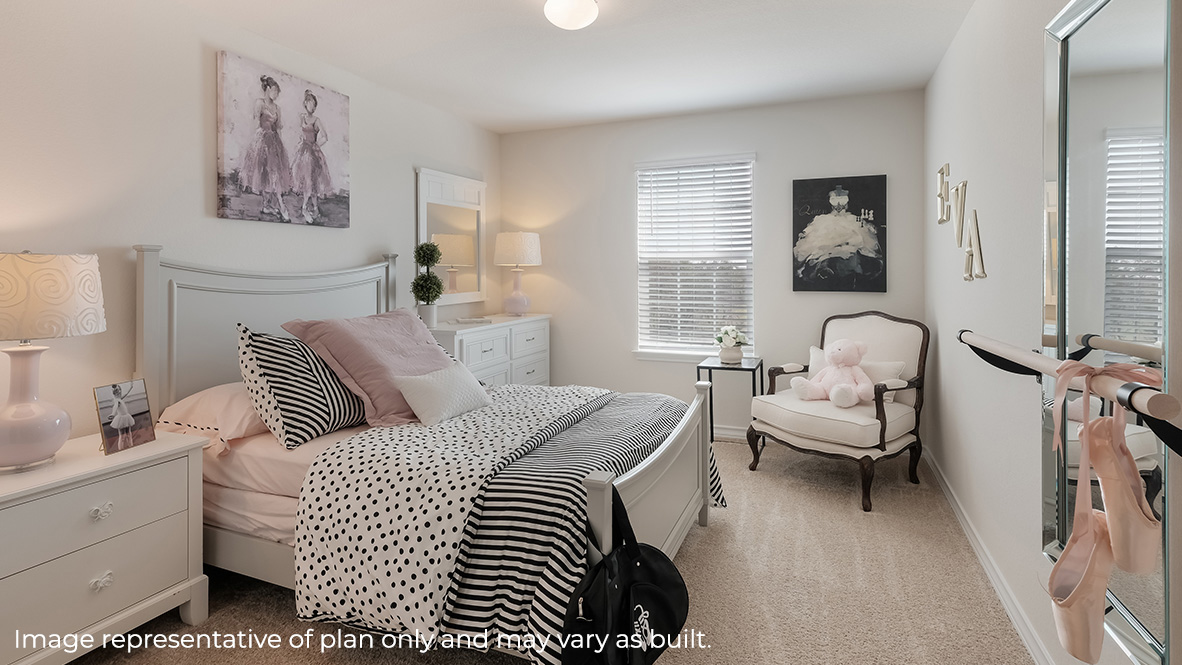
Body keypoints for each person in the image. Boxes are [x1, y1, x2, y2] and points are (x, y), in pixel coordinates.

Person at [793, 184, 884, 289]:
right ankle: (823, 268)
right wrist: (805, 233)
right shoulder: (822, 219)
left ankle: (844, 267)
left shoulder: (853, 219)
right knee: (821, 241)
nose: (839, 206)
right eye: (835, 202)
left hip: (847, 223)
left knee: (853, 241)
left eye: (842, 203)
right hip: (830, 222)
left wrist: (869, 229)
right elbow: (812, 228)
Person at [239, 75, 293, 222]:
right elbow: (254, 122)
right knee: (265, 173)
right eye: (274, 91)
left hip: (274, 141)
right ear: (268, 89)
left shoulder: (277, 108)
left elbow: (278, 128)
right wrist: (255, 142)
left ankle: (273, 205)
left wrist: (280, 146)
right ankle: (276, 206)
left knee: (275, 173)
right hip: (262, 140)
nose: (276, 95)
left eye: (277, 92)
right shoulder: (260, 103)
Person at [290, 90, 333, 224]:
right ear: (305, 103)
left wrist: (316, 145)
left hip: (313, 153)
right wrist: (300, 142)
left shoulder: (317, 120)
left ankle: (307, 208)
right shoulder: (301, 117)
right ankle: (313, 208)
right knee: (307, 181)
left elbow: (325, 137)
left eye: (314, 105)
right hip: (303, 152)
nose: (312, 107)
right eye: (310, 104)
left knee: (312, 181)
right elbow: (299, 132)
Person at [108, 383, 136, 452]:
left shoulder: (120, 399)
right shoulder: (117, 401)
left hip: (126, 417)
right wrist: (113, 414)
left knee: (129, 433)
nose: (120, 392)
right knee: (122, 436)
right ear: (115, 394)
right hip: (121, 419)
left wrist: (131, 387)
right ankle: (121, 449)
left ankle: (130, 446)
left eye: (120, 391)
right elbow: (115, 407)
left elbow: (126, 394)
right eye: (118, 391)